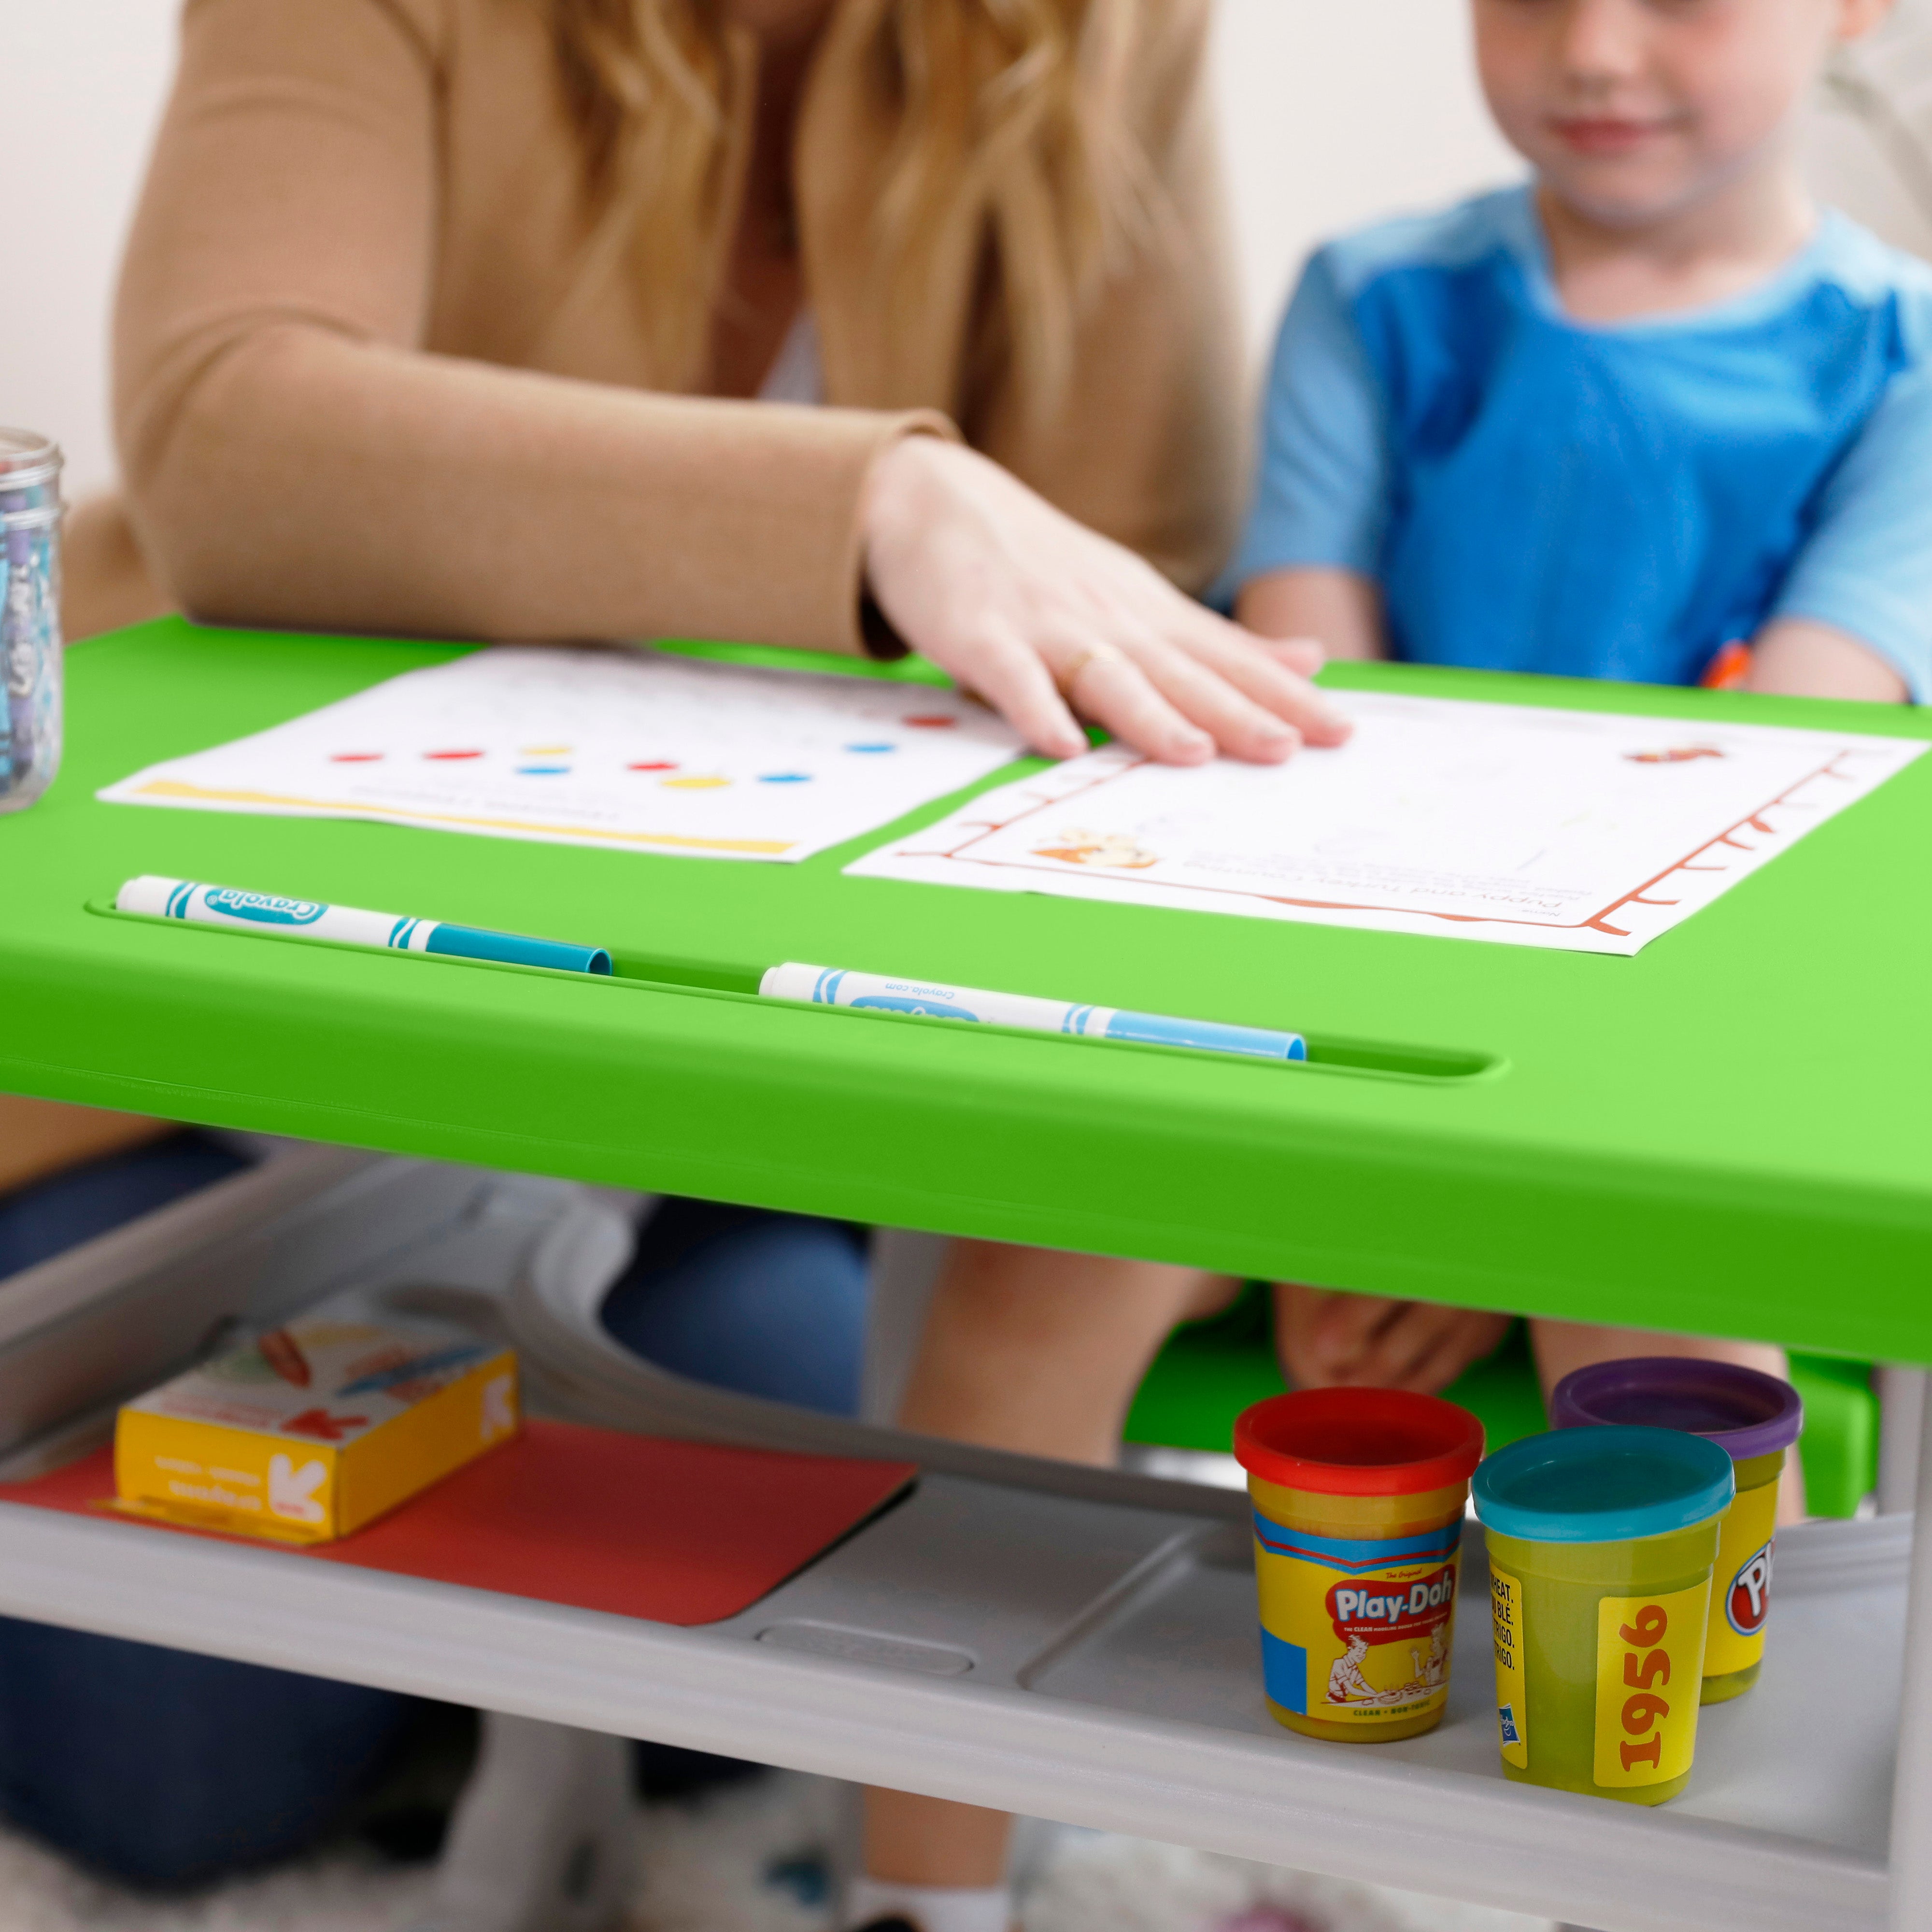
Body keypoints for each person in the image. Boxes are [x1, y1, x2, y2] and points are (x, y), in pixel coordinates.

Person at [28, 0, 1352, 1903]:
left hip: (665, 1080)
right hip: (211, 1052)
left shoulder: (1098, 28)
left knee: (795, 1543)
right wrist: (875, 498)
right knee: (187, 1768)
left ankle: (474, 1606)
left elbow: (1125, 566)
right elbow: (232, 426)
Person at [885, 1, 1931, 1923]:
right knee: (1023, 1267)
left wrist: (1464, 1212)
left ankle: (1708, 1891)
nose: (1596, 52)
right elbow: (1293, 733)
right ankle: (923, 1886)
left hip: (1661, 1109)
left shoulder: (1906, 361)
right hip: (1314, 1032)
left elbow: (1753, 816)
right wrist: (1359, 1174)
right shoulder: (1369, 302)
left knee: (1681, 1382)